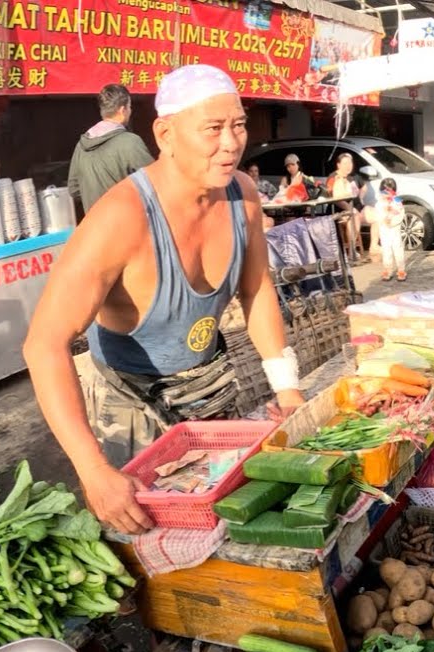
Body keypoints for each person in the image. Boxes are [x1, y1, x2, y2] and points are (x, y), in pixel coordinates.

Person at [23, 65, 305, 535]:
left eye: (238, 125)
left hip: (209, 383)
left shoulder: (243, 196)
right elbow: (44, 344)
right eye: (213, 129)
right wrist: (91, 470)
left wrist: (287, 386)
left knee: (230, 518)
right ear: (165, 133)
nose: (232, 142)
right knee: (149, 537)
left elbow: (256, 291)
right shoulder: (121, 217)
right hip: (130, 401)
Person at [68, 84, 155, 213]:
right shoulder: (130, 142)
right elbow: (156, 182)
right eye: (130, 107)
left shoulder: (81, 146)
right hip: (127, 225)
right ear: (122, 110)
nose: (130, 111)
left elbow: (74, 189)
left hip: (95, 225)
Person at [327, 152, 365, 262]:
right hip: (338, 210)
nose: (348, 166)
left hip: (355, 207)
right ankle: (351, 250)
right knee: (354, 217)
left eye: (350, 163)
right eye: (345, 163)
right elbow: (336, 199)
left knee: (373, 215)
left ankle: (373, 247)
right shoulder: (334, 178)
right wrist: (349, 209)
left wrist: (361, 198)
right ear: (338, 165)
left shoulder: (352, 177)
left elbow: (364, 187)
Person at [368, 177, 407, 282]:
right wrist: (384, 220)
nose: (386, 194)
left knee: (398, 249)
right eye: (384, 192)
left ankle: (401, 269)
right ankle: (387, 269)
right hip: (384, 229)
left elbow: (401, 215)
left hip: (395, 229)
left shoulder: (398, 202)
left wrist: (393, 222)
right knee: (386, 250)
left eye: (389, 192)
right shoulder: (379, 203)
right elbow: (378, 215)